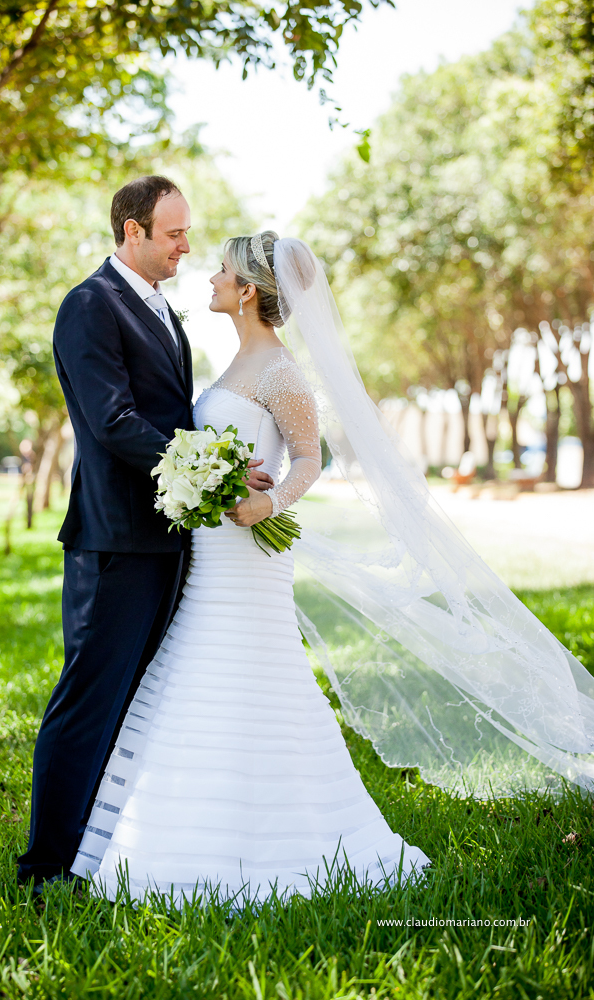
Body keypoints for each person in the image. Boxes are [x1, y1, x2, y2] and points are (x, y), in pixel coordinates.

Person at [70, 232, 431, 902]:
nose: (209, 277)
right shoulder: (235, 362)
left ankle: (281, 829)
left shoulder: (279, 370)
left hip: (251, 552)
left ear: (246, 292)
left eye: (222, 271)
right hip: (212, 549)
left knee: (249, 670)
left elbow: (308, 456)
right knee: (195, 663)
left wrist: (269, 502)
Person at [17, 178, 273, 894]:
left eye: (186, 232)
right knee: (88, 700)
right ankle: (44, 868)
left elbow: (170, 414)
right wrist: (218, 473)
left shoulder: (161, 308)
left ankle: (95, 852)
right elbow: (114, 421)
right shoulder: (90, 305)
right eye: (174, 233)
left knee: (134, 699)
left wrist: (219, 472)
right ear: (132, 231)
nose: (186, 246)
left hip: (167, 539)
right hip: (115, 541)